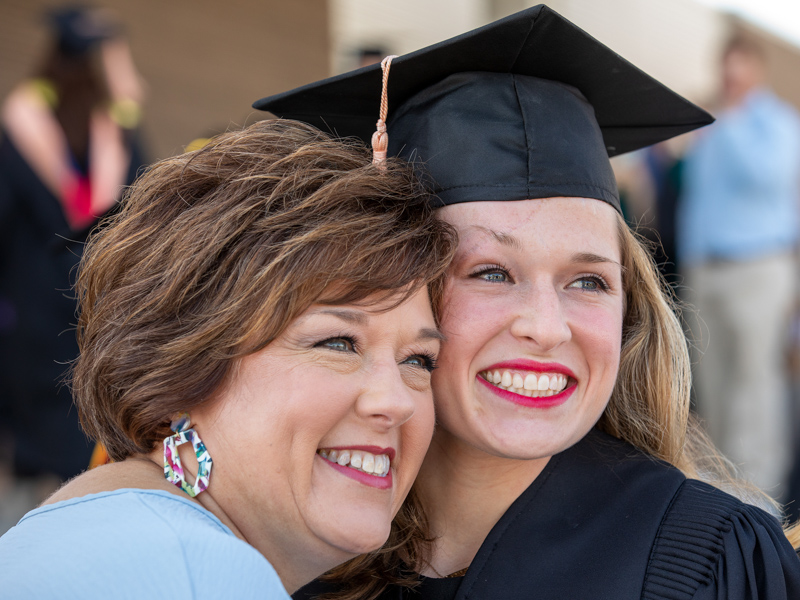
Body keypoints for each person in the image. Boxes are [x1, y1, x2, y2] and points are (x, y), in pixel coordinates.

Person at [254, 5, 800, 599]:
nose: (547, 327)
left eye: (588, 282)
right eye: (491, 272)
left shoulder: (710, 561)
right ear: (397, 289)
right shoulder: (293, 549)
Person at [0, 119, 456, 598]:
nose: (397, 401)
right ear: (180, 368)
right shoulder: (199, 573)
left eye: (419, 360)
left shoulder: (94, 534)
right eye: (338, 343)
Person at [0, 7, 147, 487]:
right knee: (85, 422)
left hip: (31, 310)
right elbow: (140, 207)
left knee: (39, 439)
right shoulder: (115, 133)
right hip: (94, 303)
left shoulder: (16, 132)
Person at [678, 35, 800, 497]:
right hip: (707, 271)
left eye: (740, 65)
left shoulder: (777, 123)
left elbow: (766, 176)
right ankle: (724, 492)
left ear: (757, 69)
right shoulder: (711, 126)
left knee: (755, 389)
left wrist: (729, 123)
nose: (732, 75)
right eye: (726, 65)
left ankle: (761, 498)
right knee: (714, 386)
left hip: (757, 269)